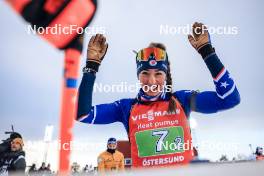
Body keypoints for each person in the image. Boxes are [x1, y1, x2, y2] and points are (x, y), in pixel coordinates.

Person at [77, 22, 240, 168]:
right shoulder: (126, 108)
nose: (151, 80)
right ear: (138, 76)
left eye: (159, 74)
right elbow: (82, 114)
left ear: (166, 75)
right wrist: (92, 66)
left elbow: (230, 99)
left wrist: (207, 52)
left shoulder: (183, 100)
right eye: (145, 73)